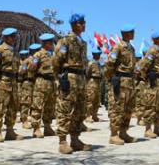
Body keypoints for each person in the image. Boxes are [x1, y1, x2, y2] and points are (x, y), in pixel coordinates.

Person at [52, 13, 92, 154]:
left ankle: (75, 140)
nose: (84, 25)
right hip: (69, 78)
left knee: (79, 110)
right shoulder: (66, 41)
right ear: (75, 24)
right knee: (65, 109)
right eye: (82, 22)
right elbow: (56, 61)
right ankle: (62, 141)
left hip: (81, 79)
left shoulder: (82, 42)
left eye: (84, 22)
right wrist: (60, 78)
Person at [0, 28, 23, 142]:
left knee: (13, 107)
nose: (14, 38)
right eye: (12, 36)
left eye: (15, 36)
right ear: (5, 37)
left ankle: (10, 131)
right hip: (3, 81)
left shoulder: (15, 51)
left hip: (13, 81)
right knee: (0, 106)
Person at [104, 24, 138, 145]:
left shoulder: (131, 48)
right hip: (120, 80)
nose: (133, 33)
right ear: (126, 34)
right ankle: (113, 134)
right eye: (131, 32)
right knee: (117, 108)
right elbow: (109, 63)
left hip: (129, 81)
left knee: (128, 109)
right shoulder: (117, 47)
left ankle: (123, 132)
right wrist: (111, 78)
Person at [28, 34, 58, 138]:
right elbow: (31, 69)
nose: (52, 44)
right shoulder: (38, 55)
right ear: (46, 43)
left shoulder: (52, 55)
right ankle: (36, 128)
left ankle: (47, 127)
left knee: (50, 106)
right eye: (50, 43)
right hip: (41, 81)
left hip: (51, 82)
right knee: (38, 105)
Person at [86, 49, 103, 122]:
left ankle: (94, 115)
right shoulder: (91, 63)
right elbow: (87, 73)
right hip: (92, 82)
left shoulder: (98, 63)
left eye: (99, 54)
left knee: (97, 100)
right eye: (97, 55)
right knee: (90, 99)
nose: (99, 56)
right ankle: (88, 116)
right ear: (93, 55)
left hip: (98, 82)